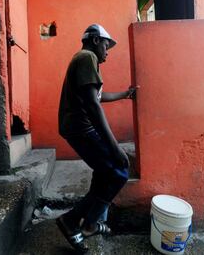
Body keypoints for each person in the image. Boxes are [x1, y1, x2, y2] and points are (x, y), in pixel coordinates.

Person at [56, 24, 138, 253]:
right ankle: (74, 221)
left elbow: (97, 97)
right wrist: (115, 147)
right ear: (94, 41)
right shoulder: (86, 58)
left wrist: (124, 94)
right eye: (106, 44)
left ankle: (90, 222)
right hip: (81, 128)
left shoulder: (84, 61)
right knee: (119, 171)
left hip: (76, 127)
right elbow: (92, 105)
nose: (108, 50)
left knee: (104, 173)